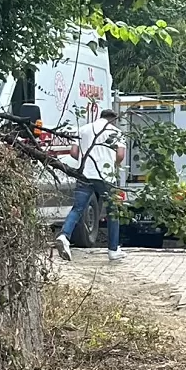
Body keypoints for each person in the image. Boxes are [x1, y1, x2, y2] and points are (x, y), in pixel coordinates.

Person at [55, 108, 126, 262]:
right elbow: (120, 155)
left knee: (78, 208)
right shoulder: (116, 132)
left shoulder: (83, 129)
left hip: (85, 174)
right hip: (105, 177)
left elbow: (74, 152)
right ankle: (113, 250)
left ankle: (64, 236)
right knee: (113, 212)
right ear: (113, 119)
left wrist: (85, 161)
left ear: (100, 117)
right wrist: (112, 164)